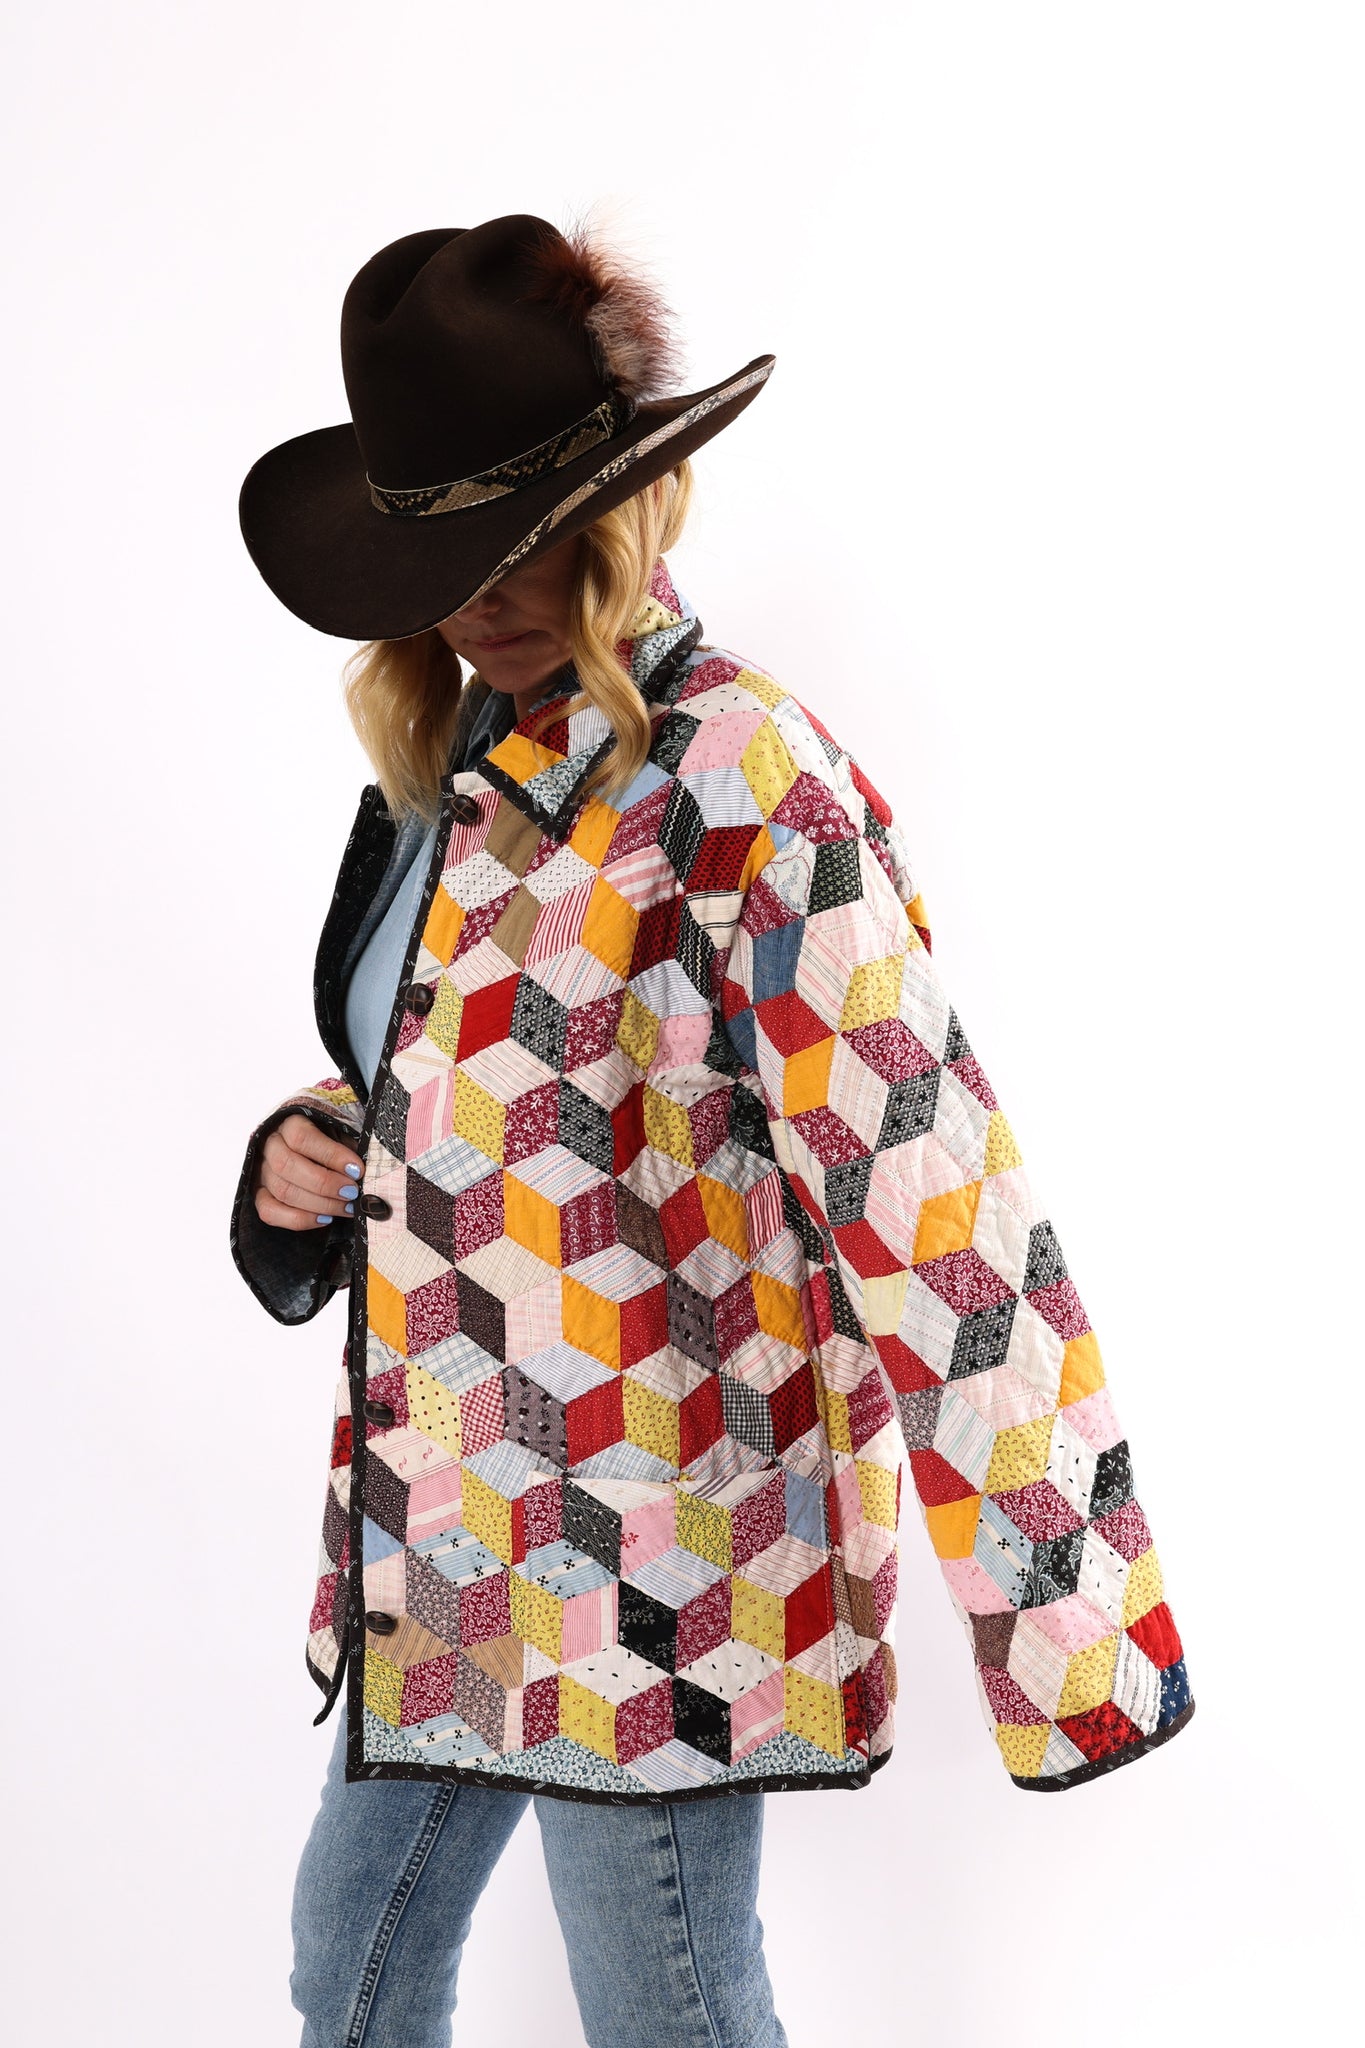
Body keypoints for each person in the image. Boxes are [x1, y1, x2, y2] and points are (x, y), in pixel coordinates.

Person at [230, 214, 1194, 2048]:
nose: (480, 598)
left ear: (627, 507)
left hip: (657, 1540)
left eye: (523, 538)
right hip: (442, 1526)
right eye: (441, 557)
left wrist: (1069, 1619)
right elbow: (476, 1076)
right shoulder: (451, 770)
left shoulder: (740, 774)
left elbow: (929, 1187)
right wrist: (304, 1151)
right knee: (346, 1965)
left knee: (663, 2009)